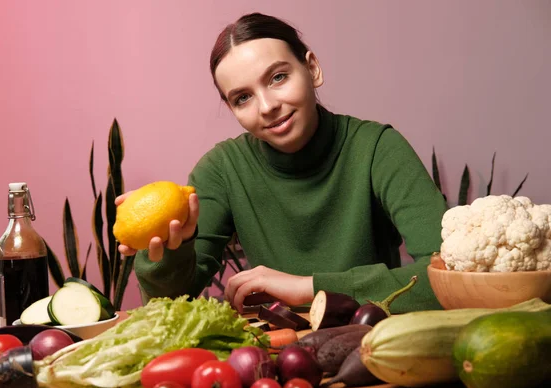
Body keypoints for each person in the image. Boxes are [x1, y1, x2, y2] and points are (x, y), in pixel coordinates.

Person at [117, 12, 448, 314]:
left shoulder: (377, 148)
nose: (266, 106)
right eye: (242, 97)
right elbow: (166, 309)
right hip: (276, 358)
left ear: (312, 69)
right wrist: (172, 248)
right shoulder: (222, 169)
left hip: (372, 345)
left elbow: (453, 276)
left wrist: (308, 286)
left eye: (277, 78)